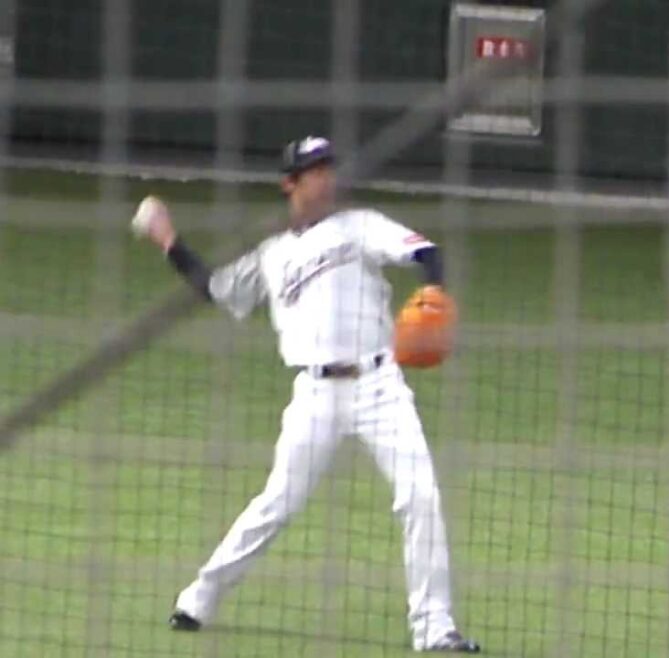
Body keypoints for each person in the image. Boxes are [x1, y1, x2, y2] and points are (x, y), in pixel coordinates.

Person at [136, 136, 480, 653]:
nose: (325, 177)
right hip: (314, 395)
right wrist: (168, 240)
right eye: (313, 170)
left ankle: (435, 629)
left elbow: (427, 253)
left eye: (328, 168)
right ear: (290, 183)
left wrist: (435, 289)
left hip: (380, 386)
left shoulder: (361, 225)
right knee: (277, 502)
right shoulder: (271, 255)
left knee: (421, 496)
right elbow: (218, 289)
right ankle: (199, 597)